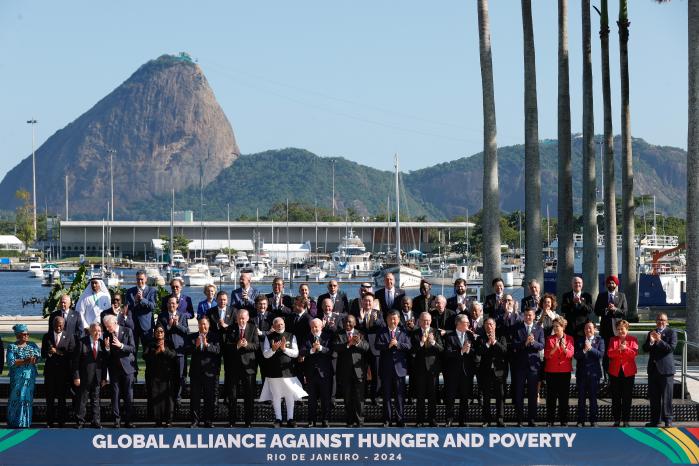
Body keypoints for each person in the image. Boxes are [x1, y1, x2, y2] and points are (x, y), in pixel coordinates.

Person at [260, 317, 308, 428]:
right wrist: (273, 349)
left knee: (289, 395)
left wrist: (284, 349)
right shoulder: (269, 337)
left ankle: (290, 419)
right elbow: (265, 355)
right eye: (277, 324)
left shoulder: (291, 336)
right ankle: (278, 419)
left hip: (288, 372)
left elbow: (296, 353)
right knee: (276, 396)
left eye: (281, 324)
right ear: (273, 326)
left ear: (284, 324)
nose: (280, 326)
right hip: (273, 371)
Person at [374, 310, 411, 427]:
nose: (392, 321)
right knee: (387, 397)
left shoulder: (404, 332)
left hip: (400, 370)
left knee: (400, 397)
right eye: (390, 318)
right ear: (386, 319)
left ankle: (400, 419)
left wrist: (398, 344)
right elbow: (377, 346)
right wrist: (387, 345)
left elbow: (409, 346)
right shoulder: (381, 332)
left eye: (395, 319)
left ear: (399, 320)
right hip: (386, 369)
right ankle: (387, 420)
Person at [223, 309, 259, 427]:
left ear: (248, 318)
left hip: (248, 368)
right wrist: (237, 345)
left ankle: (248, 422)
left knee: (249, 396)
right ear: (236, 318)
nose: (241, 320)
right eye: (239, 318)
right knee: (232, 396)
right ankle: (232, 421)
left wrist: (247, 345)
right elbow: (226, 345)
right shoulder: (231, 328)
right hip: (234, 368)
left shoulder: (253, 328)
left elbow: (256, 345)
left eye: (243, 318)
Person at [333, 315, 369, 427]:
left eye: (349, 322)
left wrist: (358, 343)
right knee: (347, 398)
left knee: (359, 398)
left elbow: (367, 347)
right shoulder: (339, 334)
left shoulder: (361, 333)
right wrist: (348, 344)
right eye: (345, 322)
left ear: (355, 323)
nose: (347, 324)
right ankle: (349, 421)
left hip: (359, 371)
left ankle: (359, 421)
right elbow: (335, 348)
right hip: (345, 371)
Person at [103, 314, 137, 428]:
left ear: (115, 323)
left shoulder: (127, 331)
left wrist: (121, 345)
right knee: (115, 395)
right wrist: (107, 348)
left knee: (128, 395)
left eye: (108, 326)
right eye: (106, 327)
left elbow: (133, 348)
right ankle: (117, 420)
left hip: (128, 368)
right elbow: (106, 356)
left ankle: (129, 420)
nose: (107, 329)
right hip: (114, 369)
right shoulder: (106, 335)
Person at [444, 314, 478, 427]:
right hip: (453, 371)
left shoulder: (470, 335)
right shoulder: (450, 336)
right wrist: (461, 351)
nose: (468, 324)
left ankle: (462, 420)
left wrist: (468, 351)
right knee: (450, 396)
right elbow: (447, 353)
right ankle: (449, 419)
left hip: (466, 371)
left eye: (468, 323)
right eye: (466, 323)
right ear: (458, 323)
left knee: (465, 396)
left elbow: (475, 351)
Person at [643, 312, 677, 427]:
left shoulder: (671, 332)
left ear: (666, 322)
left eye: (662, 320)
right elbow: (645, 348)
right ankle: (655, 420)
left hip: (666, 370)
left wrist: (659, 340)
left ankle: (668, 420)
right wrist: (652, 341)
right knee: (654, 397)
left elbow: (671, 348)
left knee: (667, 396)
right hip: (653, 370)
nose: (660, 322)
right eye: (658, 319)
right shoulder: (651, 333)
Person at [512, 308, 544, 427]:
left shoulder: (539, 329)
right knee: (519, 394)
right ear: (523, 316)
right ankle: (519, 420)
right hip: (520, 366)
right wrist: (524, 343)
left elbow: (541, 345)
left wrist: (533, 343)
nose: (528, 317)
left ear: (534, 316)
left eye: (530, 315)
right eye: (526, 315)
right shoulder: (517, 328)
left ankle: (532, 419)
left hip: (533, 368)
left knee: (532, 394)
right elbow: (514, 345)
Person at [41, 316, 75, 427]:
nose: (58, 327)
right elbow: (42, 354)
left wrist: (58, 352)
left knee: (62, 399)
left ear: (64, 325)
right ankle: (49, 422)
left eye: (61, 325)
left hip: (63, 373)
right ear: (53, 325)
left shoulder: (69, 336)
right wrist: (50, 353)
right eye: (56, 325)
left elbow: (71, 354)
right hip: (50, 373)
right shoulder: (47, 336)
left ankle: (61, 422)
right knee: (49, 399)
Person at [411, 312, 443, 427]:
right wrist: (421, 342)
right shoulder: (414, 333)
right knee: (420, 396)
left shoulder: (435, 332)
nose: (426, 323)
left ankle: (432, 419)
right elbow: (412, 351)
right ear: (419, 321)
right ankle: (420, 420)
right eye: (424, 320)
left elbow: (441, 349)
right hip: (419, 369)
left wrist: (433, 342)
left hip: (433, 370)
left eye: (428, 320)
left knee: (432, 396)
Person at [72, 322, 107, 429]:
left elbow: (105, 362)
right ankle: (80, 421)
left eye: (99, 331)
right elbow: (75, 362)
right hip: (84, 377)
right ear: (90, 331)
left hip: (97, 377)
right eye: (95, 331)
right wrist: (76, 376)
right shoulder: (82, 342)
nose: (98, 333)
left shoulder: (103, 343)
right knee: (82, 400)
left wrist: (104, 378)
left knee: (96, 400)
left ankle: (96, 421)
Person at [301, 318, 335, 427]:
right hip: (311, 374)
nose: (314, 329)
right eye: (312, 327)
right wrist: (311, 350)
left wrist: (320, 348)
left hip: (324, 373)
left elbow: (331, 352)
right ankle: (311, 420)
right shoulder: (306, 337)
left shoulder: (327, 337)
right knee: (312, 400)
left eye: (316, 326)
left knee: (325, 398)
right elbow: (301, 351)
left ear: (321, 327)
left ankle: (325, 420)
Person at [187, 318, 221, 427]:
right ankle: (195, 421)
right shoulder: (192, 336)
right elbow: (186, 351)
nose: (203, 326)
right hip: (195, 373)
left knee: (209, 398)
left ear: (209, 325)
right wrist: (195, 345)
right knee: (195, 399)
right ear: (198, 325)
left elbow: (218, 351)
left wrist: (207, 345)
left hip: (209, 373)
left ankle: (208, 421)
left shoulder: (215, 336)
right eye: (201, 324)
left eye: (205, 324)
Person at [6, 324, 41, 428]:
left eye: (27, 334)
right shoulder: (12, 346)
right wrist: (25, 360)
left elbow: (38, 358)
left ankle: (25, 422)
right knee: (16, 397)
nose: (26, 336)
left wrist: (33, 359)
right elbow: (10, 362)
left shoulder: (33, 345)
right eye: (24, 334)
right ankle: (14, 421)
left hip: (29, 376)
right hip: (17, 377)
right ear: (18, 335)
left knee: (27, 398)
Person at [158, 295, 190, 406]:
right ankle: (168, 396)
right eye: (169, 303)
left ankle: (178, 397)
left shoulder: (182, 316)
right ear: (167, 304)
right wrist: (169, 325)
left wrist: (178, 325)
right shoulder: (162, 316)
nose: (171, 305)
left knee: (180, 375)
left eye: (173, 303)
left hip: (180, 351)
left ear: (177, 305)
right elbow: (159, 332)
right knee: (168, 375)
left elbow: (186, 331)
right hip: (167, 351)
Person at [143, 324, 177, 427]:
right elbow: (145, 357)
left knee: (168, 399)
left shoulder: (169, 343)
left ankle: (168, 420)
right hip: (154, 376)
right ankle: (157, 420)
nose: (159, 333)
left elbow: (173, 356)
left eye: (162, 331)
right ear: (154, 333)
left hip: (167, 376)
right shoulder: (150, 343)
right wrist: (156, 352)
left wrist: (164, 350)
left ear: (164, 333)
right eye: (158, 331)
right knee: (155, 398)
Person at [594, 275, 627, 378]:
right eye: (609, 283)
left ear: (616, 284)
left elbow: (625, 312)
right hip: (605, 330)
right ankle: (606, 376)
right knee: (606, 354)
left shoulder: (621, 296)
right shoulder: (601, 295)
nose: (611, 284)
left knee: (617, 353)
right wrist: (606, 310)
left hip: (618, 331)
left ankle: (617, 374)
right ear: (606, 284)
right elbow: (596, 311)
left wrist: (615, 309)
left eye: (613, 283)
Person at [476, 318, 507, 427]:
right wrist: (488, 344)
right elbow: (479, 352)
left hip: (499, 372)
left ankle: (500, 419)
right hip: (486, 372)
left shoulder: (501, 337)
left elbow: (504, 351)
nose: (489, 326)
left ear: (494, 325)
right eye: (486, 324)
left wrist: (495, 342)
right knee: (486, 397)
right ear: (484, 326)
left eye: (491, 324)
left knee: (500, 396)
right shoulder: (481, 339)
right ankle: (486, 420)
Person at [544, 317, 574, 427]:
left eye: (557, 326)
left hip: (564, 372)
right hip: (551, 372)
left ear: (563, 327)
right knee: (551, 398)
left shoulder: (570, 339)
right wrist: (555, 348)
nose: (555, 328)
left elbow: (570, 354)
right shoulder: (549, 339)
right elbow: (547, 355)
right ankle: (550, 420)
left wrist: (564, 348)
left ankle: (563, 421)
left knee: (564, 398)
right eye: (554, 326)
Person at [574, 320, 605, 427]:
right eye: (586, 328)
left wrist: (590, 349)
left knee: (593, 399)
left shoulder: (600, 340)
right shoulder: (579, 340)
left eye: (590, 328)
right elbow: (576, 356)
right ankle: (580, 421)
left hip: (594, 375)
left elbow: (600, 355)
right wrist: (583, 350)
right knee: (581, 399)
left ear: (595, 329)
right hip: (581, 375)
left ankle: (593, 420)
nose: (588, 330)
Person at [608, 319, 638, 427]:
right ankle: (616, 420)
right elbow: (610, 354)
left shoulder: (633, 340)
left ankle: (626, 420)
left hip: (628, 372)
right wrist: (618, 350)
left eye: (622, 329)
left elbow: (634, 355)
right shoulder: (613, 340)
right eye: (618, 329)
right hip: (615, 372)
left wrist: (626, 348)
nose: (620, 331)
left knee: (627, 397)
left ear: (627, 329)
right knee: (616, 397)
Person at [356, 292, 384, 405]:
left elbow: (382, 326)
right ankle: (361, 398)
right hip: (361, 349)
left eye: (370, 301)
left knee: (376, 375)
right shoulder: (357, 314)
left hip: (375, 349)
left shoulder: (379, 313)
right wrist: (362, 320)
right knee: (361, 375)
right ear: (362, 302)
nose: (367, 303)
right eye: (365, 300)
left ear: (373, 303)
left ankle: (375, 398)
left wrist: (374, 320)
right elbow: (356, 329)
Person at [125, 270, 157, 360]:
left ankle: (149, 373)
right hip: (133, 326)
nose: (140, 281)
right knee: (132, 352)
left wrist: (142, 299)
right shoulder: (130, 292)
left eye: (142, 279)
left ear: (146, 279)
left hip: (146, 326)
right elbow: (127, 308)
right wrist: (135, 300)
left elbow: (153, 306)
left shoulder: (152, 291)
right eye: (138, 279)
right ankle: (133, 373)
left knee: (148, 352)